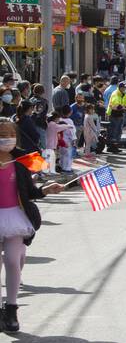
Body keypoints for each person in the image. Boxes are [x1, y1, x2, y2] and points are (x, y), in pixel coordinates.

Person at [0, 120, 66, 332]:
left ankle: (11, 308)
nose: (6, 138)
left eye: (10, 134)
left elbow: (30, 191)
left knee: (12, 261)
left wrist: (47, 189)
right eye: (2, 134)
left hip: (15, 218)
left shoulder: (23, 159)